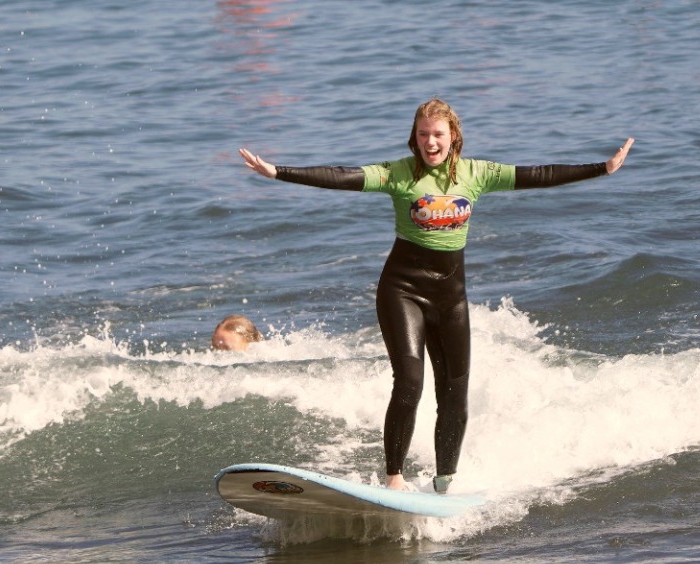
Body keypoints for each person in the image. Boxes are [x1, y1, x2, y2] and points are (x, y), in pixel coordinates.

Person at [239, 98, 634, 493]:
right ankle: (394, 478)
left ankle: (444, 484)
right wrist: (279, 172)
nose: (430, 142)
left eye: (438, 134)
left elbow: (539, 174)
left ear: (453, 136)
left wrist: (602, 168)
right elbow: (342, 176)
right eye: (423, 134)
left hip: (451, 298)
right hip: (403, 290)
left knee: (454, 391)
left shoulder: (477, 173)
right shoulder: (398, 173)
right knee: (410, 382)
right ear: (414, 137)